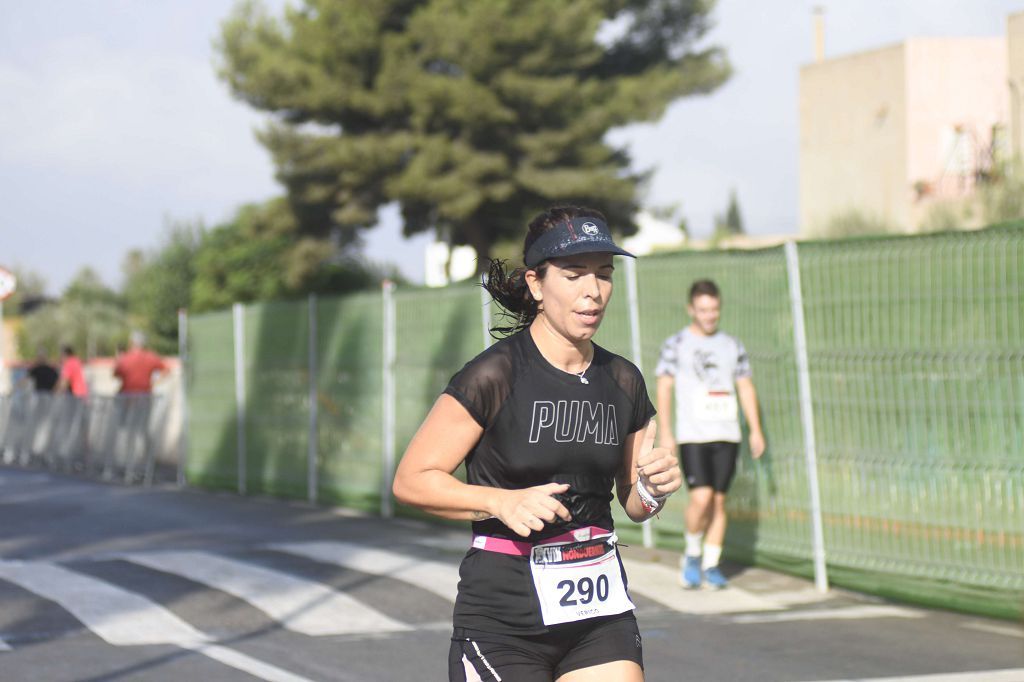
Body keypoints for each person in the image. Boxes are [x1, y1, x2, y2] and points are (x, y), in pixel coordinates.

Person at [393, 206, 682, 682]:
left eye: (604, 275)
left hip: (597, 609)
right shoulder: (495, 374)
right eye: (574, 275)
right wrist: (498, 501)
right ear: (535, 284)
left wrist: (655, 487)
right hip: (505, 616)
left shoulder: (623, 379)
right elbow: (412, 481)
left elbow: (634, 502)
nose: (593, 291)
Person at [654, 279, 766, 590]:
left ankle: (712, 563)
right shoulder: (676, 344)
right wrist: (667, 432)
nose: (709, 315)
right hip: (693, 435)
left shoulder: (732, 346)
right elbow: (664, 386)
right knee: (701, 498)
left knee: (718, 501)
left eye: (714, 309)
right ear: (692, 309)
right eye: (703, 310)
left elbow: (745, 385)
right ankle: (691, 553)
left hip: (726, 434)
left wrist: (755, 429)